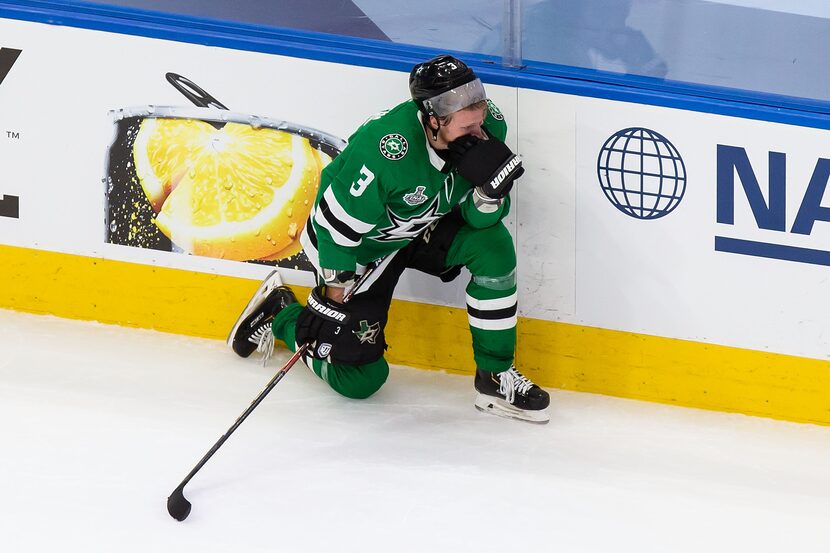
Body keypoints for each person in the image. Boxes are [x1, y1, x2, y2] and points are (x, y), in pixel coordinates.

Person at [227, 54, 550, 423]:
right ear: (432, 120)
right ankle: (282, 315)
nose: (479, 135)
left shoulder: (488, 126)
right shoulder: (384, 151)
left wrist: (490, 195)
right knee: (362, 380)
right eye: (467, 129)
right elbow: (335, 228)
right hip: (359, 247)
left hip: (420, 227)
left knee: (492, 246)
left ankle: (494, 378)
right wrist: (335, 293)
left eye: (479, 124)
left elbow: (479, 219)